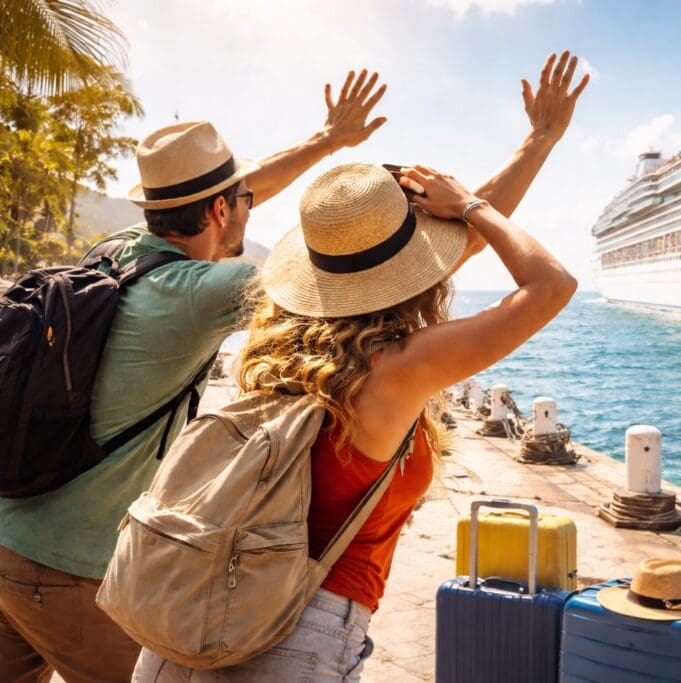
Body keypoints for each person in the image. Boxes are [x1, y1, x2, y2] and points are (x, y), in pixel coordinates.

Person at [0, 51, 586, 683]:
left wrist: (328, 142)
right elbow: (530, 277)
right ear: (222, 211)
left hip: (42, 541)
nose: (250, 204)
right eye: (241, 201)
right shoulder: (360, 355)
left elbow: (223, 201)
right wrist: (490, 185)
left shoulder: (139, 269)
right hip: (186, 601)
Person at [133, 165, 577, 683]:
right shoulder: (394, 371)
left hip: (188, 614)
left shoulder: (277, 342)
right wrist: (469, 206)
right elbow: (551, 285)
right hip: (294, 633)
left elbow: (462, 249)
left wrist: (541, 140)